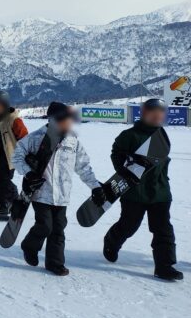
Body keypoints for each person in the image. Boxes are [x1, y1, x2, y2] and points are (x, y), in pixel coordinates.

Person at [12, 102, 101, 276]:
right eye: (66, 119)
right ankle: (29, 246)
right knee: (45, 225)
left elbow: (83, 167)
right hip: (41, 193)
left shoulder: (73, 140)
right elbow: (17, 157)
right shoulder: (37, 138)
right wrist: (29, 174)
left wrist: (95, 186)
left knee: (59, 228)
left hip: (62, 194)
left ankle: (55, 263)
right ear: (55, 119)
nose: (70, 123)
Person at [103, 98, 182, 281]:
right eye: (153, 112)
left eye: (161, 112)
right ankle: (111, 241)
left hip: (160, 192)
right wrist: (128, 161)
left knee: (163, 229)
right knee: (129, 225)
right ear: (144, 113)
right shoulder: (129, 135)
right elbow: (116, 156)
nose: (157, 115)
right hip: (134, 192)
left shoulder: (162, 135)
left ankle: (164, 266)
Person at [0, 90, 28, 215]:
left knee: (3, 179)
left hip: (11, 156)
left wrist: (26, 153)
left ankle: (3, 204)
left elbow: (25, 137)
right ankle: (12, 198)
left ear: (4, 104)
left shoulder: (14, 119)